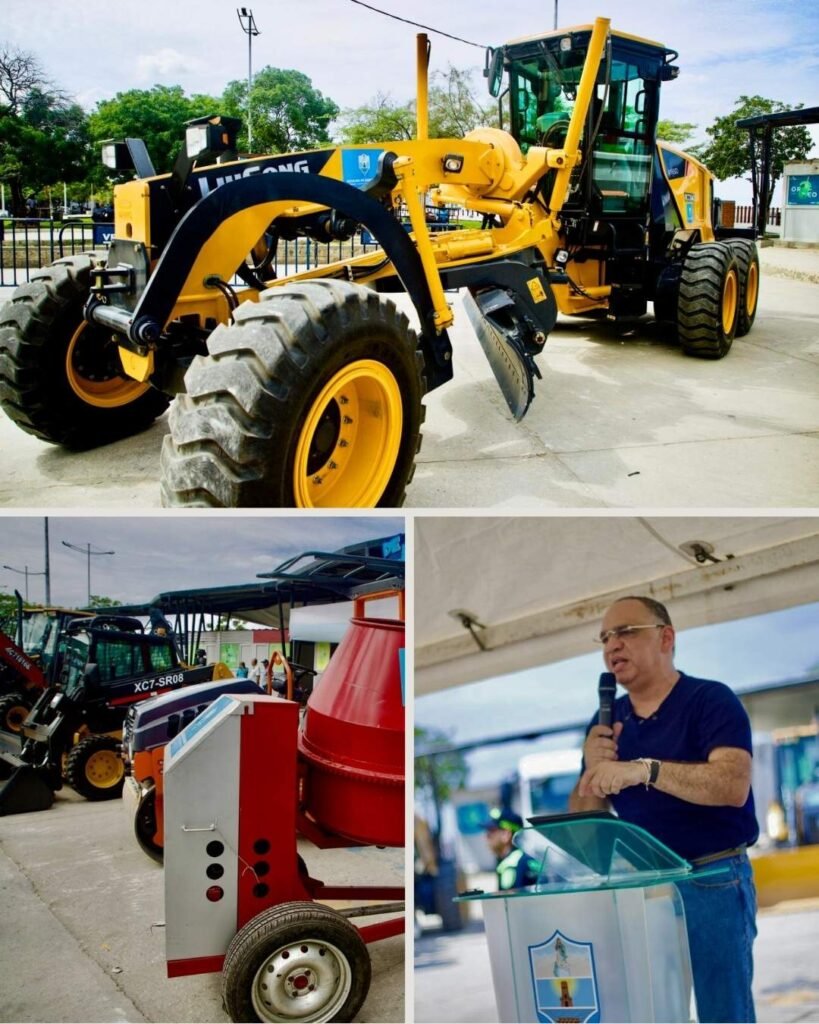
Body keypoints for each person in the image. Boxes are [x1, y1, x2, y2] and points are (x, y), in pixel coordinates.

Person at [569, 595, 758, 1024]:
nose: (612, 645)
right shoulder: (606, 721)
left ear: (666, 637)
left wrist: (645, 771)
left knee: (723, 1014)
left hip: (712, 880)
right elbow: (582, 822)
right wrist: (593, 767)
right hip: (642, 889)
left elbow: (732, 785)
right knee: (652, 1012)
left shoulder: (710, 700)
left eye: (626, 632)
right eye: (605, 638)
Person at [484, 808, 541, 891]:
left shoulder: (514, 864)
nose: (486, 837)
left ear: (506, 834)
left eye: (491, 831)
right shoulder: (511, 860)